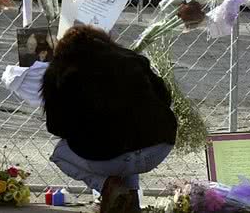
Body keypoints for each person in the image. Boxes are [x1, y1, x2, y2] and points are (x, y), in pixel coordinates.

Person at [41, 25, 177, 213]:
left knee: (61, 153)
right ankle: (131, 199)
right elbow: (165, 98)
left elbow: (56, 126)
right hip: (159, 146)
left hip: (109, 154)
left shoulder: (60, 72)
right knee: (131, 132)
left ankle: (107, 185)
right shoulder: (132, 59)